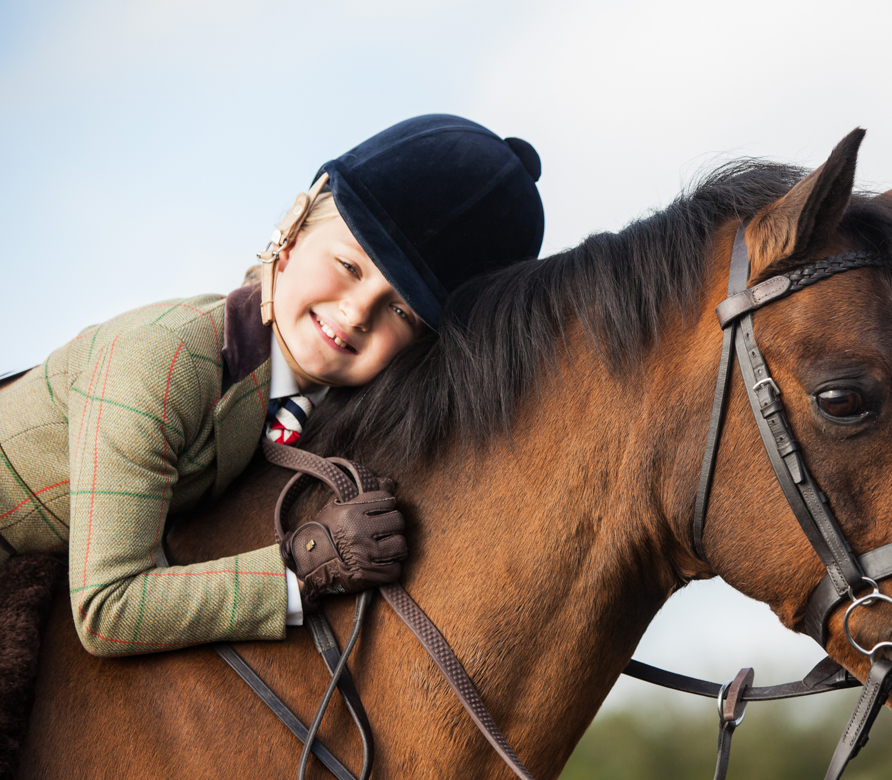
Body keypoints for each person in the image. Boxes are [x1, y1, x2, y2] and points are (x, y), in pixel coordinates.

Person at [0, 114, 545, 656]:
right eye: (349, 266)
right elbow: (105, 609)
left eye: (401, 310)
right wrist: (303, 566)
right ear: (291, 232)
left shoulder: (326, 406)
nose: (357, 312)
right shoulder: (166, 362)